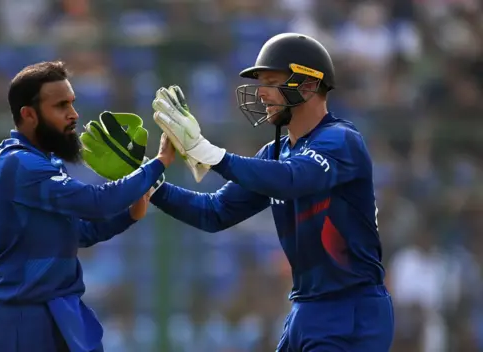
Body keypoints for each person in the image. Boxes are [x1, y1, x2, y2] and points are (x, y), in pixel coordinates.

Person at [148, 33, 394, 351]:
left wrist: (209, 153)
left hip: (350, 311)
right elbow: (213, 212)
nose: (261, 93)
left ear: (307, 85)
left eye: (271, 81)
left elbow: (293, 179)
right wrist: (147, 183)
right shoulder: (275, 153)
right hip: (305, 309)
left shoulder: (341, 140)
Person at [0, 61, 174, 352]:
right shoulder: (18, 164)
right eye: (60, 106)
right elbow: (96, 203)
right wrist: (158, 163)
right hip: (23, 317)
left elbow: (78, 233)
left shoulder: (46, 162)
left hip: (58, 309)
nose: (74, 114)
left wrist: (128, 216)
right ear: (29, 115)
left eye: (72, 103)